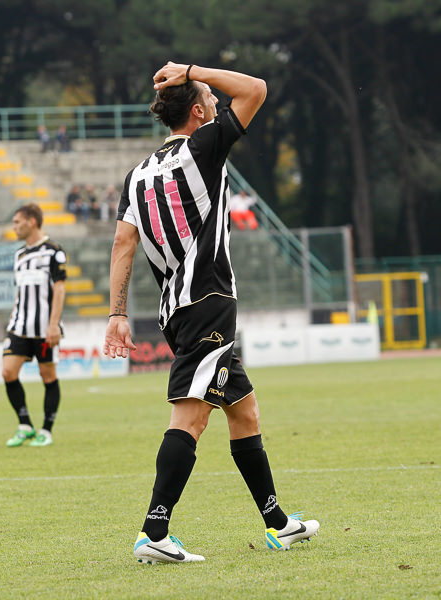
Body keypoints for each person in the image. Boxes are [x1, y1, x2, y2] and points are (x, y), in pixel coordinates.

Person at [104, 62, 320, 564]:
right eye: (211, 101)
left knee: (244, 411)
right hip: (208, 302)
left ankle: (278, 524)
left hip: (177, 310)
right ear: (198, 112)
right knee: (192, 417)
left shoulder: (137, 176)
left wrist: (118, 312)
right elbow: (257, 89)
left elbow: (123, 242)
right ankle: (153, 531)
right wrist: (192, 70)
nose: (220, 105)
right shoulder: (202, 147)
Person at [2, 203, 67, 447]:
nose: (14, 227)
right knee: (8, 372)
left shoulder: (53, 251)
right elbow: (20, 292)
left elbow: (59, 290)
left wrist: (54, 325)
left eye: (17, 222)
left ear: (31, 222)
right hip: (19, 326)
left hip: (43, 329)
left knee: (47, 375)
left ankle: (46, 430)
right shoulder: (19, 255)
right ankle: (25, 424)